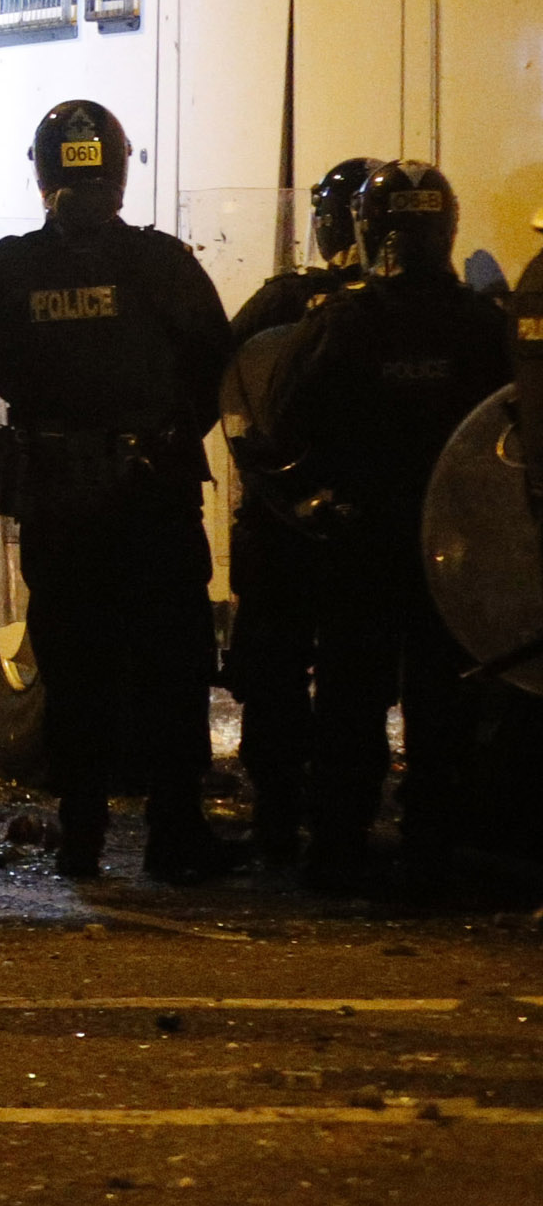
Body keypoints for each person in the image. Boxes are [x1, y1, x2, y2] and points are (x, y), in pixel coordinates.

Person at [0, 101, 236, 882]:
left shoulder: (9, 269)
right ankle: (174, 833)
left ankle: (81, 836)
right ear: (119, 170)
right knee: (171, 666)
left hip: (61, 498)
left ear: (43, 170)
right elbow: (214, 369)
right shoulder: (163, 264)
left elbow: (4, 370)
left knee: (74, 665)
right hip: (150, 497)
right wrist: (155, 430)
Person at [254, 161, 508, 898]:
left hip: (361, 546)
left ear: (370, 232)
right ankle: (431, 851)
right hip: (452, 552)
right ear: (446, 229)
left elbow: (281, 420)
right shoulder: (481, 324)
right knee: (443, 706)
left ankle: (338, 849)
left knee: (349, 702)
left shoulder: (342, 320)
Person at [221, 156, 370, 861]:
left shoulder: (283, 303)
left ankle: (280, 819)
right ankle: (342, 823)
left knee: (276, 674)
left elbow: (226, 394)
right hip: (362, 533)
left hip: (282, 529)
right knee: (353, 679)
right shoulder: (418, 309)